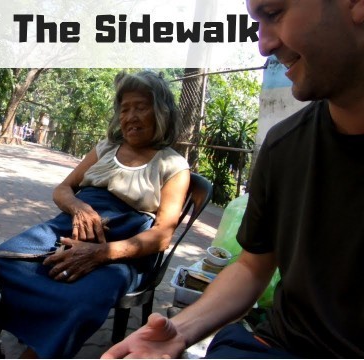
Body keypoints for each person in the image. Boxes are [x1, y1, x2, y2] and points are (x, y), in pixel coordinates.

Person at [102, 0, 364, 358]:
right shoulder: (284, 146)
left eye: (274, 14)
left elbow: (161, 233)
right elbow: (253, 267)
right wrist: (178, 332)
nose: (264, 44)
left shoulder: (171, 165)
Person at [0, 71, 191, 358]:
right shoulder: (106, 149)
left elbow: (162, 236)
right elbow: (63, 189)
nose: (131, 116)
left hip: (121, 249)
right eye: (125, 109)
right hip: (65, 227)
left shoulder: (173, 165)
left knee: (79, 302)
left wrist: (99, 253)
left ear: (160, 112)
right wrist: (79, 207)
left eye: (140, 107)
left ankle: (38, 352)